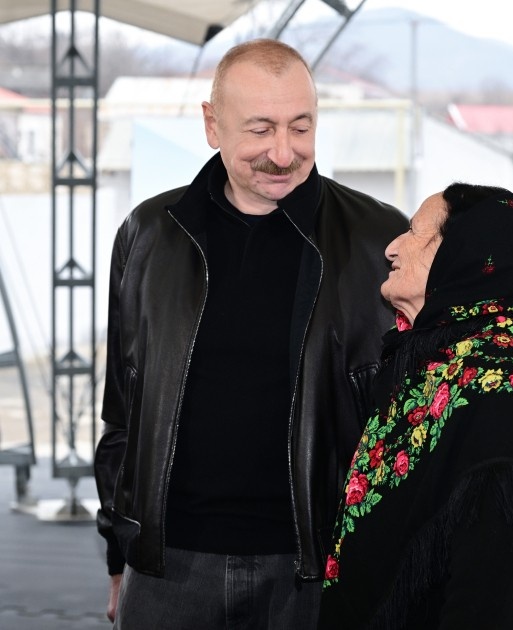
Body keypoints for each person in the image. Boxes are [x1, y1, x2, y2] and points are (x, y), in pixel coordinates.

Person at [94, 38, 408, 628]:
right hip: (167, 569)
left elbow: (426, 397)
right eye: (260, 130)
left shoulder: (380, 239)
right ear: (212, 125)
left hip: (319, 570)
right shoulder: (148, 235)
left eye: (300, 127)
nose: (283, 153)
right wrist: (119, 550)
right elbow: (122, 411)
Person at [318, 183, 513, 629]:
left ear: (461, 253)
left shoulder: (499, 385)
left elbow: (492, 586)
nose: (391, 248)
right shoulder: (449, 360)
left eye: (414, 231)